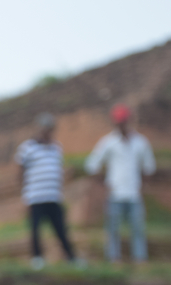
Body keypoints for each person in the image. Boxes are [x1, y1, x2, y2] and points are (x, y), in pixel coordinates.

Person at [85, 104, 156, 264]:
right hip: (115, 193)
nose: (121, 125)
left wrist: (143, 185)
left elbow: (149, 167)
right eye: (118, 122)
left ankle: (139, 258)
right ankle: (114, 258)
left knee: (137, 229)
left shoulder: (140, 142)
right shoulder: (108, 143)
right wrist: (103, 183)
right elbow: (92, 165)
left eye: (123, 121)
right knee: (113, 229)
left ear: (128, 121)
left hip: (134, 193)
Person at [15, 112, 79, 270]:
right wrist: (24, 194)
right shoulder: (27, 148)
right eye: (45, 128)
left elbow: (57, 170)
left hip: (53, 196)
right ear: (39, 128)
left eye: (50, 128)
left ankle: (70, 257)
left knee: (61, 229)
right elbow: (20, 172)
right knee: (35, 230)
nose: (47, 131)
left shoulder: (56, 148)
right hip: (35, 196)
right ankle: (37, 258)